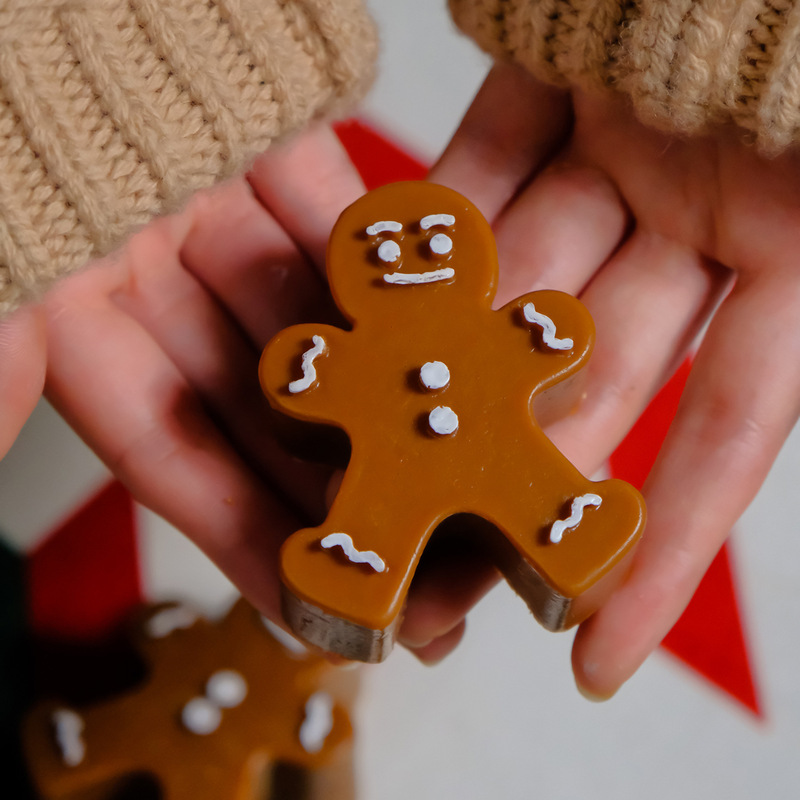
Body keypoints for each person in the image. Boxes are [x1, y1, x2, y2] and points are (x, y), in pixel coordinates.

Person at [3, 0, 800, 703]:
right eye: (389, 250)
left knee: (532, 492)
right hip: (392, 459)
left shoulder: (479, 327)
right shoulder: (363, 343)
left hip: (494, 438)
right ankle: (357, 569)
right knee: (378, 526)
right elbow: (310, 377)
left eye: (425, 244)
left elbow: (541, 344)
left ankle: (570, 524)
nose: (406, 253)